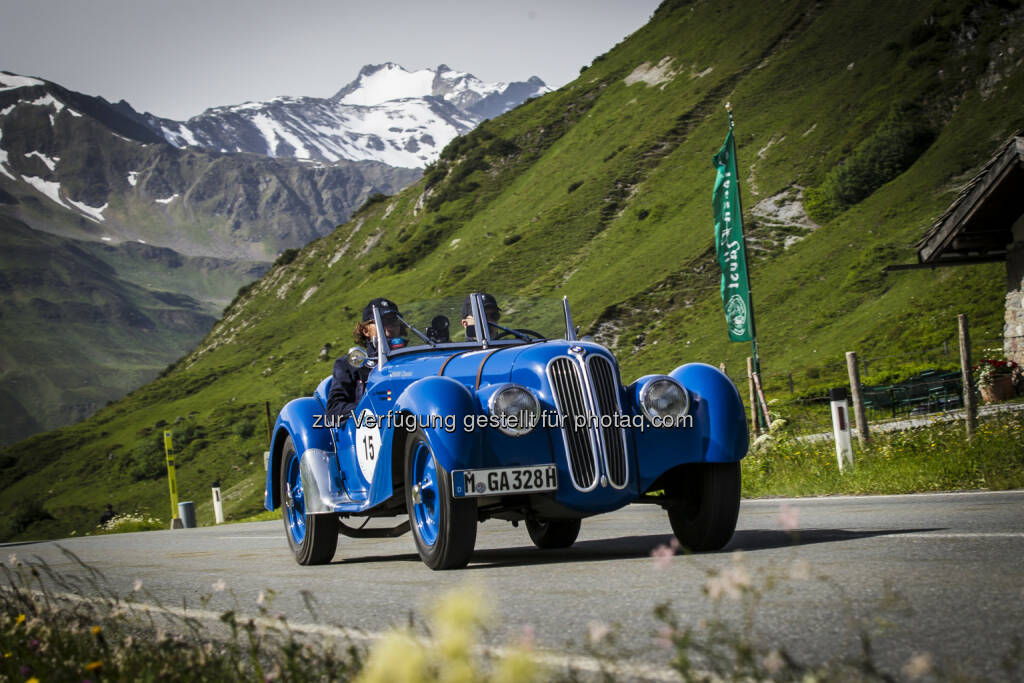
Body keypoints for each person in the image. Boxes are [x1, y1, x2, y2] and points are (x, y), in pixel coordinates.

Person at [325, 297, 404, 422]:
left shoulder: (409, 360)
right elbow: (334, 409)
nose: (389, 327)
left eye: (394, 321)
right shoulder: (350, 365)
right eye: (382, 322)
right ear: (365, 330)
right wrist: (369, 409)